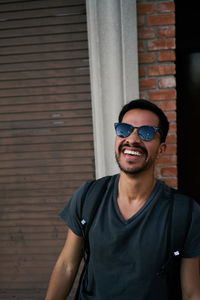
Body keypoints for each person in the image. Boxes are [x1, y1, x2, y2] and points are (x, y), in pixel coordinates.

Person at [45, 99, 200, 300]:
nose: (132, 139)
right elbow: (67, 265)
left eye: (146, 133)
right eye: (125, 129)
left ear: (161, 149)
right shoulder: (89, 196)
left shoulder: (185, 213)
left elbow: (191, 292)